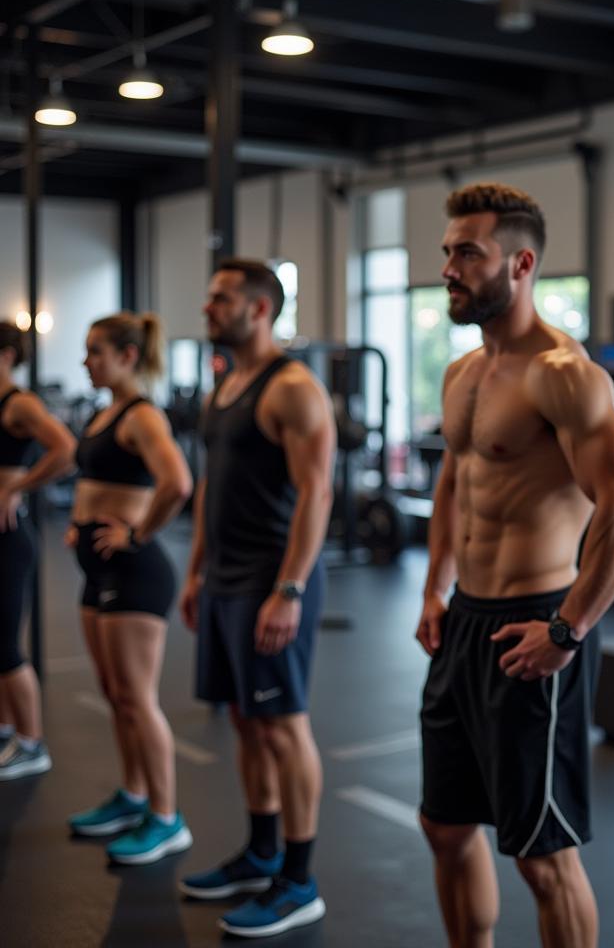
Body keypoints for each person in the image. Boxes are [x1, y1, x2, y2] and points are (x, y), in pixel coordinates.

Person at [416, 183, 614, 948]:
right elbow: (455, 478)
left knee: (544, 857)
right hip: (465, 623)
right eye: (448, 251)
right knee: (446, 826)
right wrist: (434, 586)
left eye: (467, 253)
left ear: (520, 264)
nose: (449, 267)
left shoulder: (564, 373)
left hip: (534, 626)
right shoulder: (462, 374)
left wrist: (568, 628)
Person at [178, 259, 335, 939]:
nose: (208, 308)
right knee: (246, 720)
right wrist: (194, 570)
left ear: (260, 308)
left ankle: (299, 881)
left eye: (221, 299)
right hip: (225, 579)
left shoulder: (293, 388)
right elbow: (212, 482)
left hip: (274, 579)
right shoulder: (226, 385)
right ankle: (262, 851)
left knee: (282, 724)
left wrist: (289, 589)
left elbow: (317, 493)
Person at [66, 312, 194, 864]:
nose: (86, 361)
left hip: (136, 573)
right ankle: (133, 795)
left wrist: (137, 533)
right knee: (116, 695)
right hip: (98, 570)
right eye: (87, 351)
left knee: (138, 699)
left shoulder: (143, 416)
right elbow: (96, 482)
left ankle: (167, 819)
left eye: (97, 351)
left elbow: (178, 482)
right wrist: (81, 521)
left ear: (128, 356)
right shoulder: (105, 412)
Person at [0, 321, 76, 781]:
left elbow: (66, 449)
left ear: (8, 354)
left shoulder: (19, 403)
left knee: (4, 645)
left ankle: (32, 742)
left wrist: (18, 489)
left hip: (11, 538)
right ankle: (6, 728)